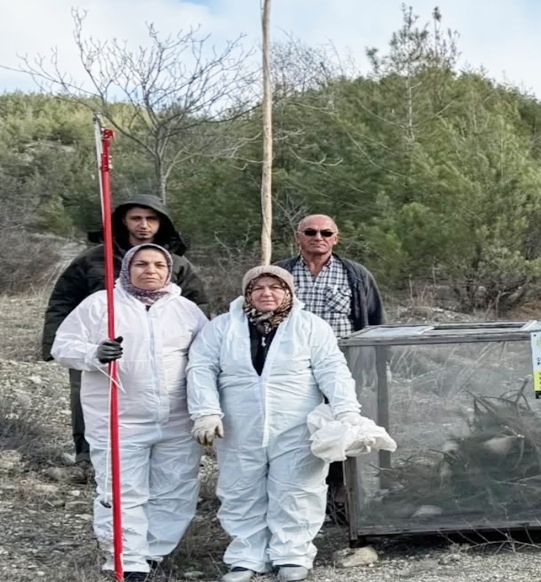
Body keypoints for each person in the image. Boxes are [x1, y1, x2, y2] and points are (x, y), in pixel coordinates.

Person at [187, 266, 361, 582]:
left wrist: (346, 411)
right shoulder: (222, 328)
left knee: (297, 488)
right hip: (240, 425)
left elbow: (333, 370)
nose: (267, 293)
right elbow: (201, 368)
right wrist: (206, 412)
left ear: (288, 292)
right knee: (241, 489)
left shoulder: (310, 327)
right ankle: (246, 556)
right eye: (258, 287)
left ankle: (292, 555)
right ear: (246, 293)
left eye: (276, 287)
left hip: (295, 424)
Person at [51, 244, 208, 580]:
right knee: (122, 490)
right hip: (119, 419)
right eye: (141, 264)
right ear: (127, 268)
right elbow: (62, 346)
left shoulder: (187, 310)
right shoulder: (100, 306)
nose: (150, 270)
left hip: (177, 418)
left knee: (175, 487)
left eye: (158, 265)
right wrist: (94, 353)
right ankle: (126, 558)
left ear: (168, 270)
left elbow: (207, 359)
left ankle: (154, 551)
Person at [42, 194, 209, 468]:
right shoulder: (94, 259)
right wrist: (58, 345)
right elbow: (63, 298)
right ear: (124, 221)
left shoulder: (176, 263)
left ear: (161, 223)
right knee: (89, 400)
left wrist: (200, 350)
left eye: (151, 218)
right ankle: (87, 456)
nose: (144, 225)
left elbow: (197, 304)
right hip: (98, 347)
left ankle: (164, 452)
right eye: (136, 218)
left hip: (162, 348)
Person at [274, 214, 384, 524]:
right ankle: (299, 498)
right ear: (298, 236)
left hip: (344, 369)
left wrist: (374, 366)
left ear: (336, 238)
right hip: (291, 371)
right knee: (297, 431)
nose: (317, 237)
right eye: (310, 231)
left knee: (342, 428)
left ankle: (339, 497)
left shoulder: (356, 275)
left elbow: (375, 322)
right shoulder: (282, 273)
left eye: (326, 232)